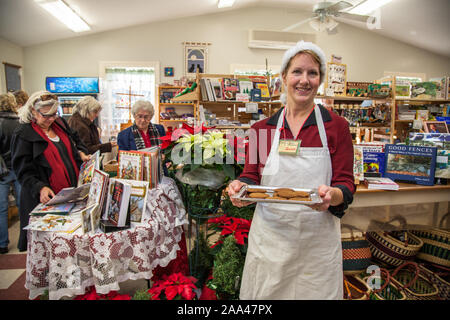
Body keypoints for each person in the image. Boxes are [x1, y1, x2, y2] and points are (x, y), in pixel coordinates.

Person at [227, 41, 356, 300]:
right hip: (271, 239)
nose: (304, 80)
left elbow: (345, 184)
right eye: (297, 72)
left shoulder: (336, 127)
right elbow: (251, 175)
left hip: (316, 240)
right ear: (284, 77)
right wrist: (239, 187)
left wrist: (333, 195)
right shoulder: (263, 128)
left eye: (313, 73)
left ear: (320, 80)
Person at [11, 91, 86, 251]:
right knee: (50, 247)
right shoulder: (23, 134)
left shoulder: (60, 124)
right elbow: (22, 169)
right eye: (45, 115)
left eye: (54, 114)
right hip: (45, 197)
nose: (51, 119)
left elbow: (76, 141)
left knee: (70, 241)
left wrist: (80, 152)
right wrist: (39, 187)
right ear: (33, 111)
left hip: (69, 193)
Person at [0, 93, 22, 254]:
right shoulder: (20, 123)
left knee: (1, 208)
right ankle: (26, 239)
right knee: (24, 206)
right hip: (20, 168)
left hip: (2, 171)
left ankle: (2, 243)